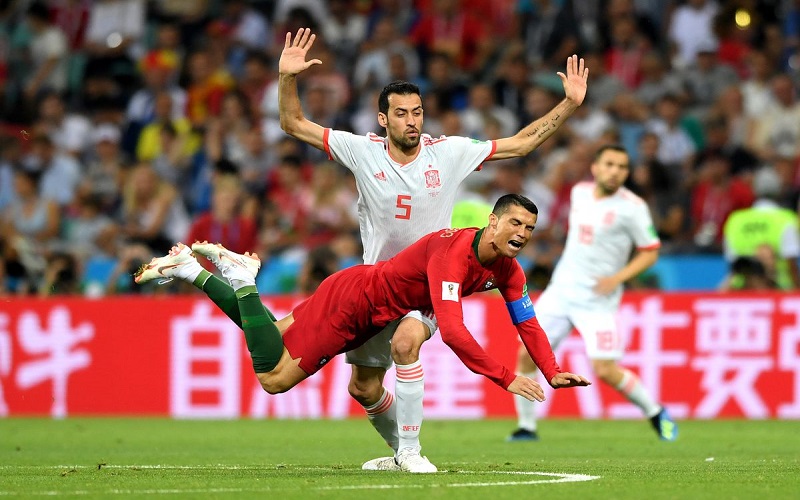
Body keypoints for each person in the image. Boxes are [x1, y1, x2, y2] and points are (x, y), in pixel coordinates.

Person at [277, 27, 588, 472]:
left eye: (418, 112)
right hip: (373, 286)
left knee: (407, 343)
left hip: (430, 283)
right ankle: (401, 453)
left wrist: (569, 104)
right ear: (383, 119)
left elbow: (522, 143)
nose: (412, 121)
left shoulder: (448, 153)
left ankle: (410, 452)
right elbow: (293, 124)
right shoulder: (360, 150)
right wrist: (287, 77)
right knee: (363, 388)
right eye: (401, 113)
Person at [134, 195, 592, 461]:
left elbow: (527, 322)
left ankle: (190, 270)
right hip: (355, 306)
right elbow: (453, 331)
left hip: (365, 300)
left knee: (272, 333)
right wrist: (507, 377)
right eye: (515, 222)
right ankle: (243, 279)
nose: (522, 233)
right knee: (274, 378)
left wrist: (551, 370)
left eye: (530, 228)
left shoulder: (509, 270)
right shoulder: (454, 254)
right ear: (492, 221)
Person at [508, 145, 678, 442]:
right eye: (609, 164)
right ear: (596, 168)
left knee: (605, 369)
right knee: (526, 353)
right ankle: (527, 428)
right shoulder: (580, 193)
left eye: (622, 167)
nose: (615, 171)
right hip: (562, 291)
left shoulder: (633, 207)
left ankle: (655, 411)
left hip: (597, 299)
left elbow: (650, 251)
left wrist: (617, 278)